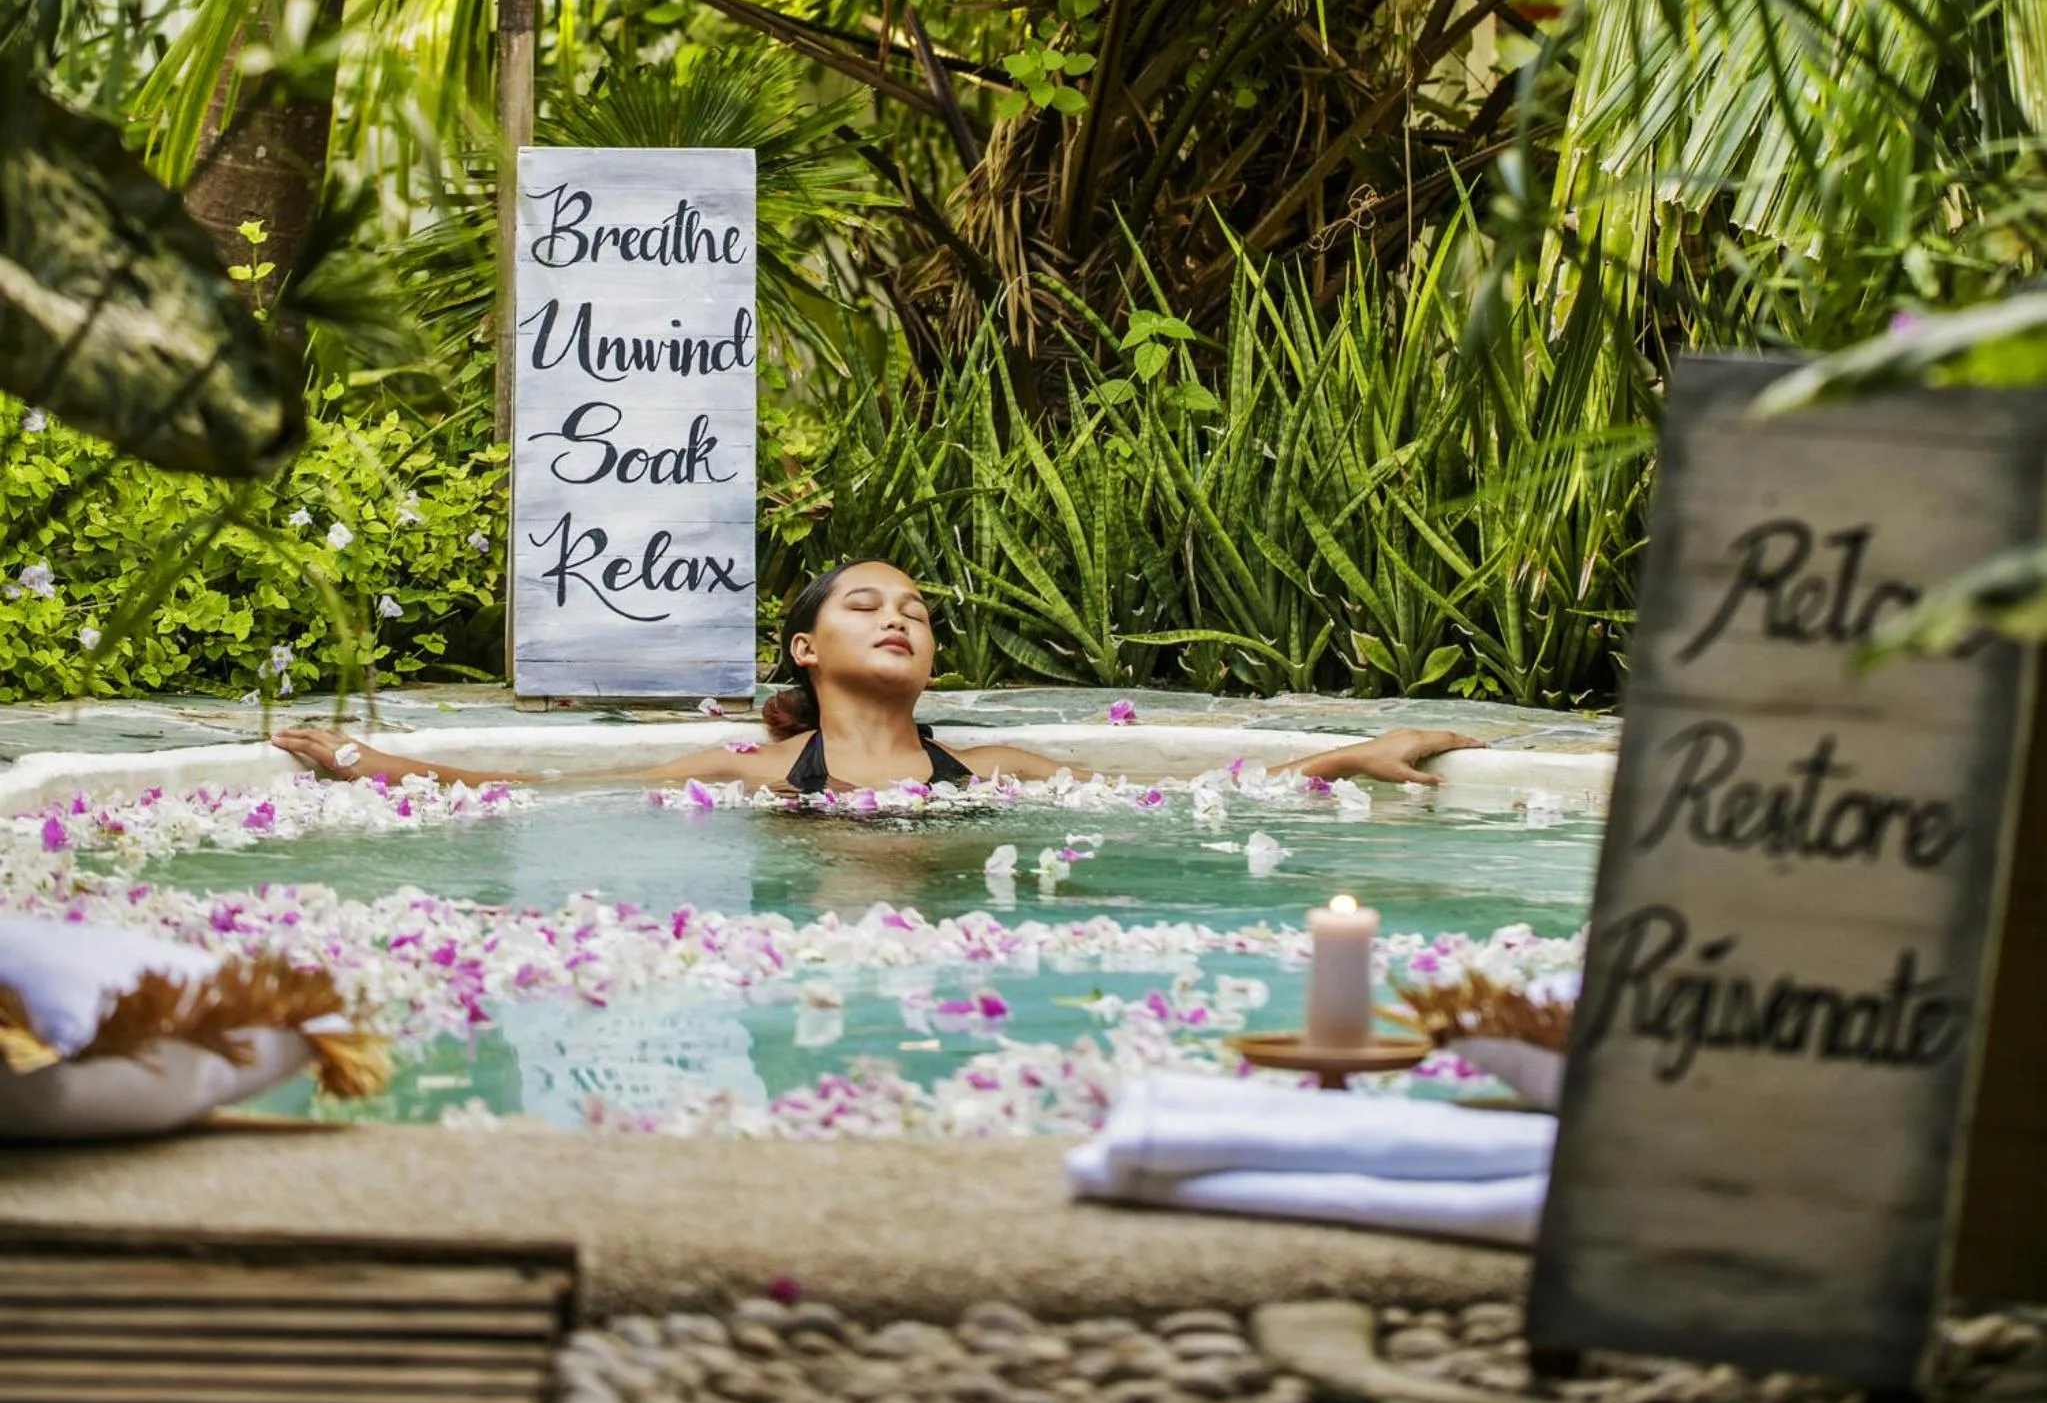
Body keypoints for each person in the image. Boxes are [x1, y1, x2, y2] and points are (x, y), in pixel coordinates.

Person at [271, 560, 1483, 795]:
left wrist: (1351, 757)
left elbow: (1188, 786)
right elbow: (547, 787)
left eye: (914, 610)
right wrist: (376, 761)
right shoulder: (750, 776)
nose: (898, 617)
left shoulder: (995, 769)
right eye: (866, 604)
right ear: (806, 649)